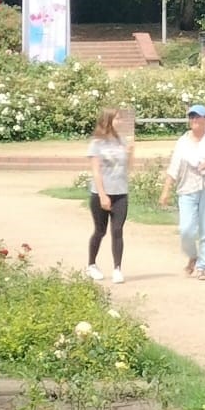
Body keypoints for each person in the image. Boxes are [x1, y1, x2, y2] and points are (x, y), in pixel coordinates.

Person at [159, 104, 205, 280]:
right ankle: (193, 255)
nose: (194, 120)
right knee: (186, 230)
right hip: (187, 188)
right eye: (192, 117)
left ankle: (202, 267)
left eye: (198, 117)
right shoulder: (183, 141)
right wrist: (165, 191)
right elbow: (174, 167)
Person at [86, 108, 134, 284]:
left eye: (120, 118)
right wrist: (102, 195)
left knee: (117, 230)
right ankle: (91, 264)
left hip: (120, 192)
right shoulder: (97, 143)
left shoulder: (121, 140)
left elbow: (128, 167)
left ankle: (117, 268)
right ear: (107, 120)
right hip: (101, 192)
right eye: (117, 119)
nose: (119, 122)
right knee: (100, 231)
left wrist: (130, 153)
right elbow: (96, 171)